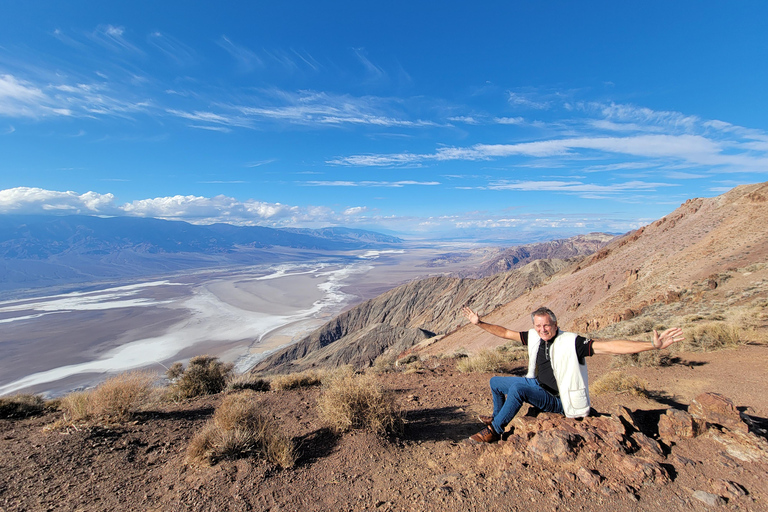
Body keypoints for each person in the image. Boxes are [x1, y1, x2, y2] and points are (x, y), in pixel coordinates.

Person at [461, 305, 685, 443]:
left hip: (561, 400)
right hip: (538, 387)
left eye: (546, 325)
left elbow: (610, 346)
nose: (542, 330)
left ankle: (494, 430)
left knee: (518, 388)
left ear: (556, 324)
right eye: (538, 326)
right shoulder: (534, 337)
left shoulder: (572, 342)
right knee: (495, 382)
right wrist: (479, 323)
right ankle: (497, 415)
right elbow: (506, 333)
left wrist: (651, 346)